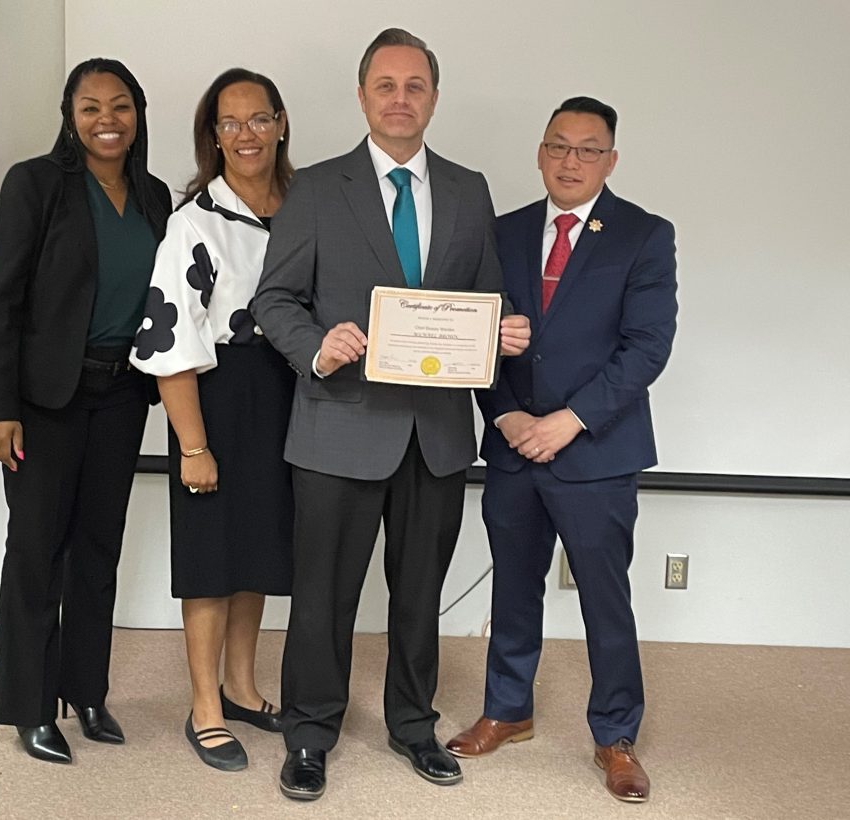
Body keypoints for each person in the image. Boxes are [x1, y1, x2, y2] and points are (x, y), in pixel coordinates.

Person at [251, 29, 531, 801]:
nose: (400, 98)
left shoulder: (469, 188)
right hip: (338, 427)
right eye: (386, 85)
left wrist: (501, 328)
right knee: (323, 598)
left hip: (435, 436)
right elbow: (274, 300)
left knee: (418, 596)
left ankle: (413, 725)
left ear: (434, 98)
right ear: (362, 96)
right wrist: (318, 346)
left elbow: (486, 294)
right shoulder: (317, 187)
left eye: (415, 85)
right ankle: (310, 734)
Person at [445, 97, 678, 804]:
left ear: (611, 160)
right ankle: (508, 710)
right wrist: (507, 414)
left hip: (595, 453)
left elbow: (647, 348)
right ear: (540, 153)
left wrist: (568, 422)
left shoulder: (643, 234)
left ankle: (615, 735)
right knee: (513, 586)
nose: (571, 161)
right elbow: (475, 334)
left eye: (587, 149)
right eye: (558, 146)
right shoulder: (505, 231)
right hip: (515, 447)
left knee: (605, 599)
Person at [0, 58, 172, 764]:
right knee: (37, 551)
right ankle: (31, 707)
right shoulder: (35, 184)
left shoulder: (154, 196)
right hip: (43, 400)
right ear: (70, 117)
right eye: (90, 107)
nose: (106, 120)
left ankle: (87, 691)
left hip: (121, 394)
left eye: (120, 106)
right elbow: (1, 299)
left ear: (137, 114)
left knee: (98, 548)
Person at [130, 68, 295, 772]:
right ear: (213, 137)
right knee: (210, 560)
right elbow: (169, 340)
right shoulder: (193, 221)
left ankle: (242, 687)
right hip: (216, 399)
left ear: (281, 124)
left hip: (287, 398)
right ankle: (204, 708)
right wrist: (193, 446)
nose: (246, 134)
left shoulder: (307, 208)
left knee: (257, 550)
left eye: (259, 119)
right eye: (230, 123)